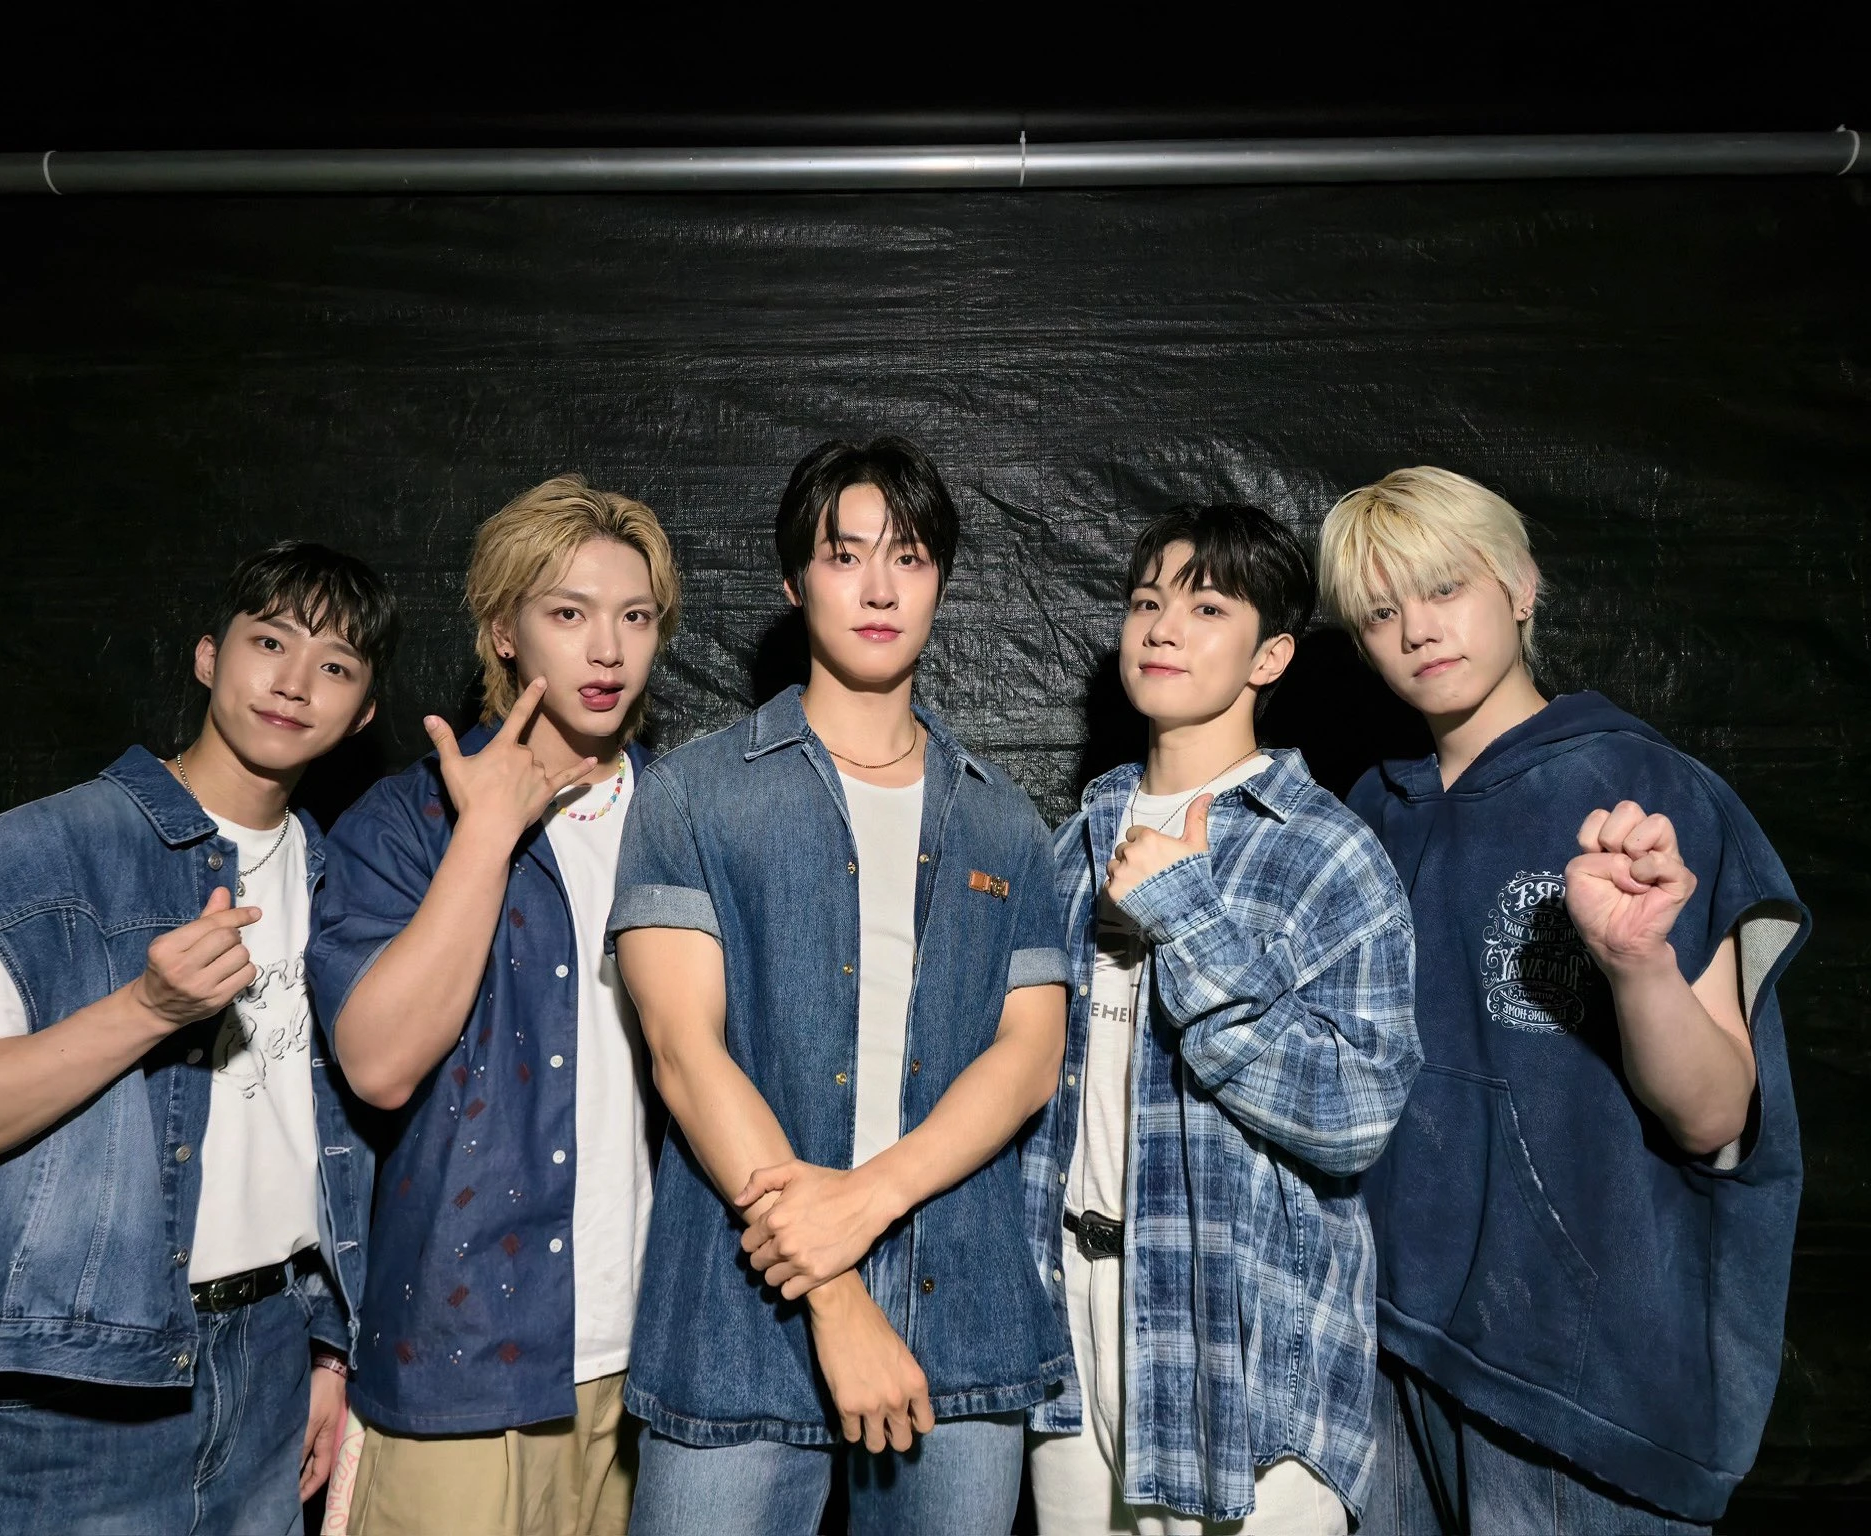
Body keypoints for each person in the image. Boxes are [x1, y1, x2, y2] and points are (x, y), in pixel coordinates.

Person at [1319, 467, 1808, 1534]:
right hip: (1385, 1343)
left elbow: (1714, 1115)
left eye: (1443, 588)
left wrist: (1637, 964)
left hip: (1574, 1376)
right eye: (1379, 613)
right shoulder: (1369, 812)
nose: (1417, 630)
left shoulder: (1637, 788)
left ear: (1520, 585)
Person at [0, 542, 397, 1535]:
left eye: (334, 665)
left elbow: (335, 1148)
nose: (294, 682)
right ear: (207, 656)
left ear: (364, 711)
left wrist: (328, 1353)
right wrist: (147, 1011)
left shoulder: (345, 886)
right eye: (269, 642)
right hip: (67, 1400)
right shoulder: (35, 856)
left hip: (269, 1371)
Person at [607, 437, 1070, 1536]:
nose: (878, 588)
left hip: (958, 1323)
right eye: (845, 555)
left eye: (908, 558)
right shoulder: (695, 795)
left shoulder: (1002, 817)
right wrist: (835, 1294)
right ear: (793, 580)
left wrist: (868, 1201)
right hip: (739, 1313)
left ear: (939, 581)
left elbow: (1029, 1058)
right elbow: (683, 1052)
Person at [1021, 503, 1420, 1534]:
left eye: (1206, 609)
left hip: (1236, 1348)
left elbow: (1354, 1117)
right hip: (1067, 1330)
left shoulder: (1323, 851)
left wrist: (1184, 915)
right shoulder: (1072, 845)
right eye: (1145, 602)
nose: (1161, 628)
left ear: (1269, 656)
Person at [309, 475, 681, 1536]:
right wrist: (484, 836)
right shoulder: (409, 820)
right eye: (568, 613)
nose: (606, 650)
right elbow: (379, 1063)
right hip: (461, 1354)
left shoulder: (687, 817)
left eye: (635, 617)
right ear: (503, 631)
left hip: (655, 1362)